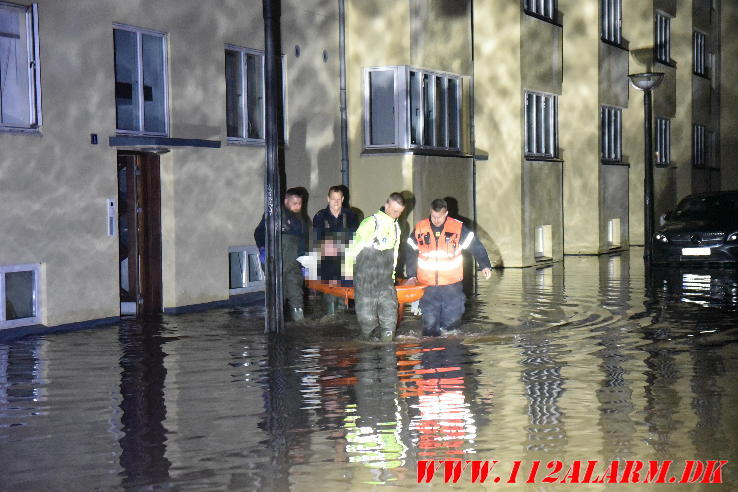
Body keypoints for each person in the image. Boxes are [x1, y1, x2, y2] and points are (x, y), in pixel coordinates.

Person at [405, 198, 492, 336]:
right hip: (427, 287)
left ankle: (451, 353)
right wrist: (411, 276)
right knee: (430, 328)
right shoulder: (421, 227)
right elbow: (410, 251)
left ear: (446, 214)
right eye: (433, 216)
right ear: (430, 211)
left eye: (439, 217)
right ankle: (431, 352)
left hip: (452, 287)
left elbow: (475, 245)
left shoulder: (457, 228)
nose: (436, 220)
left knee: (451, 328)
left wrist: (485, 265)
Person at [344, 192, 406, 341]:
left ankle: (388, 357)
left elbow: (395, 255)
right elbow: (352, 249)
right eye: (394, 210)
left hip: (385, 283)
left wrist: (391, 277)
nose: (396, 214)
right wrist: (346, 275)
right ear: (386, 206)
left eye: (399, 212)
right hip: (366, 282)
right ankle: (367, 356)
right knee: (367, 325)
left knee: (389, 322)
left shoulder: (397, 228)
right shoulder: (370, 223)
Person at [254, 188, 307, 321]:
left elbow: (302, 243)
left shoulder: (301, 221)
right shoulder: (274, 214)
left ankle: (299, 324)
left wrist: (302, 263)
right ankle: (275, 328)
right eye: (294, 202)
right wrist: (263, 248)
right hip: (275, 261)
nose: (298, 206)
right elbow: (259, 232)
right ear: (285, 201)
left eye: (300, 203)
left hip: (292, 264)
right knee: (277, 296)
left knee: (296, 295)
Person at [312, 185, 359, 315]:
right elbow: (316, 241)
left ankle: (342, 320)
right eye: (333, 199)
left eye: (339, 199)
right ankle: (331, 318)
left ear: (343, 199)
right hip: (328, 262)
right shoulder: (320, 216)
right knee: (330, 296)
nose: (336, 202)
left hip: (346, 262)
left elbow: (356, 238)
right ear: (328, 199)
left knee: (345, 295)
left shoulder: (351, 216)